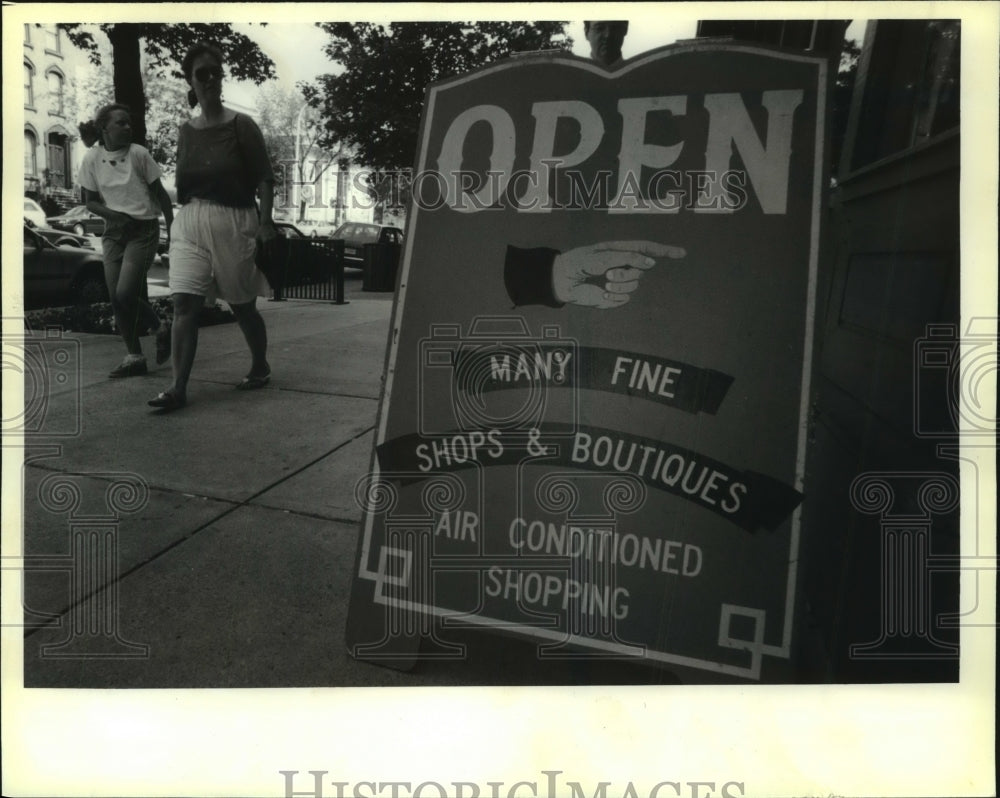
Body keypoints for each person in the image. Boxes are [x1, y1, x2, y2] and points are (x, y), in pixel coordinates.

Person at [148, 41, 277, 412]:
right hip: (190, 220)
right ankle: (178, 388)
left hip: (233, 220)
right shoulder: (185, 131)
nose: (208, 79)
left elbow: (265, 178)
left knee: (241, 306)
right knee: (184, 303)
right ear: (191, 81)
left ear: (221, 78)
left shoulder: (241, 125)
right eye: (200, 74)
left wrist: (265, 223)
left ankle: (260, 364)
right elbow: (187, 183)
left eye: (214, 72)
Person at [79, 103, 174, 378]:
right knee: (116, 299)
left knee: (125, 294)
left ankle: (159, 327)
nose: (128, 127)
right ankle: (134, 356)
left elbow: (161, 195)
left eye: (129, 123)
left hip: (143, 230)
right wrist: (114, 216)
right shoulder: (92, 158)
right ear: (104, 128)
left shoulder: (138, 154)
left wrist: (173, 229)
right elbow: (91, 203)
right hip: (113, 233)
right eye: (121, 123)